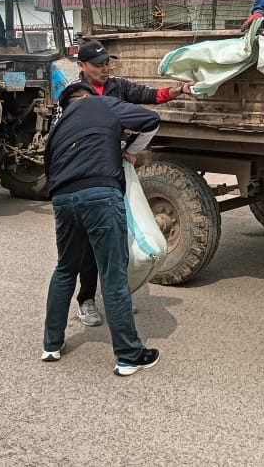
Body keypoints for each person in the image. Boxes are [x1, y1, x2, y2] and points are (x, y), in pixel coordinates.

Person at [50, 39, 195, 328]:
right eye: (98, 65)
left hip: (114, 167)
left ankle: (118, 294)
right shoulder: (71, 97)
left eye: (107, 63)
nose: (105, 69)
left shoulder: (118, 86)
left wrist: (179, 88)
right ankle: (87, 300)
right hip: (85, 172)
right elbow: (57, 136)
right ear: (81, 66)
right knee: (89, 244)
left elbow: (151, 97)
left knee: (119, 235)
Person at [42, 82, 162, 376]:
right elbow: (150, 120)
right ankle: (128, 356)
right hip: (100, 195)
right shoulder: (99, 104)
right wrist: (128, 151)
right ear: (86, 97)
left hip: (62, 198)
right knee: (112, 273)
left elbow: (48, 168)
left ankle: (51, 345)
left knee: (66, 268)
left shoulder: (56, 128)